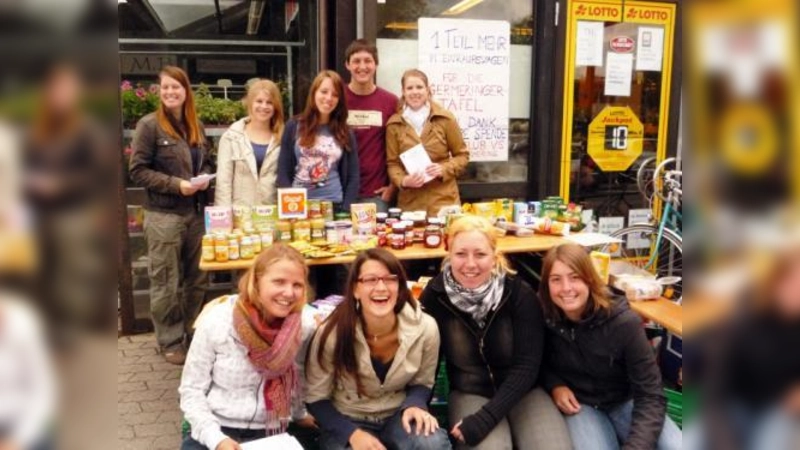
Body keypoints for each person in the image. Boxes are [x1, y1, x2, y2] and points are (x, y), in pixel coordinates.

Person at [420, 215, 571, 450]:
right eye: (461, 254)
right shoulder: (435, 296)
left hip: (524, 391)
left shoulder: (519, 294)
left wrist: (485, 418)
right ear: (449, 252)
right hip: (470, 392)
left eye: (480, 254)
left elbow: (527, 367)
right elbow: (427, 362)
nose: (470, 264)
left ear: (494, 255)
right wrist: (419, 406)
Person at [538, 243, 682, 450]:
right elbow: (535, 361)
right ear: (546, 285)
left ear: (589, 279)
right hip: (582, 405)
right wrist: (555, 385)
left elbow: (651, 394)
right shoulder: (543, 315)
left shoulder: (623, 323)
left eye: (575, 277)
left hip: (627, 401)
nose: (566, 288)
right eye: (556, 279)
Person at [305, 248, 451, 450]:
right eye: (370, 280)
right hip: (347, 418)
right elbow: (316, 398)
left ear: (400, 286)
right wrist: (352, 434)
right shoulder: (333, 333)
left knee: (432, 443)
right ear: (355, 289)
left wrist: (415, 404)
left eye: (390, 279)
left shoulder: (425, 328)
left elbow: (423, 382)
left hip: (398, 413)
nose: (381, 287)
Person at [179, 243, 318, 450]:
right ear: (256, 281)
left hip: (274, 430)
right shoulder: (218, 320)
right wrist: (216, 440)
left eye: (297, 285)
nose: (289, 293)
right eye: (279, 282)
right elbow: (191, 390)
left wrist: (299, 415)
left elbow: (298, 377)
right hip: (218, 428)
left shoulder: (303, 326)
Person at [129, 66, 212, 365]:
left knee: (197, 280)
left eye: (176, 87)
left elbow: (205, 161)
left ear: (186, 91)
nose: (170, 92)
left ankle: (192, 333)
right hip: (164, 216)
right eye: (165, 88)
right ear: (159, 92)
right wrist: (177, 185)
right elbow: (137, 171)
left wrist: (203, 177)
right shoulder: (149, 125)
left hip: (194, 215)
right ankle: (170, 340)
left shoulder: (195, 126)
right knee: (165, 280)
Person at [386, 69, 469, 217]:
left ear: (428, 90)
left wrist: (443, 169)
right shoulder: (394, 124)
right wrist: (404, 181)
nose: (415, 92)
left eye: (419, 87)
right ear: (403, 92)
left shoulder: (445, 119)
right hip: (411, 203)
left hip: (444, 201)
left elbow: (462, 156)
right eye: (409, 88)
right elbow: (393, 163)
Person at [277, 70, 359, 213]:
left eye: (335, 95)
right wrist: (289, 205)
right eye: (324, 92)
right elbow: (283, 170)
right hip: (298, 206)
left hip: (334, 206)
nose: (329, 98)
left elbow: (353, 175)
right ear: (314, 93)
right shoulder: (294, 125)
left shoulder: (345, 132)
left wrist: (345, 210)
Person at [343, 39, 399, 212]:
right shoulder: (337, 99)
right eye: (356, 61)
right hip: (342, 192)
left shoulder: (390, 102)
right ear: (347, 65)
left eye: (368, 61)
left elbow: (402, 145)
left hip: (376, 195)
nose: (362, 66)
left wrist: (393, 187)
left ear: (376, 64)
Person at [215, 79, 285, 206]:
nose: (264, 106)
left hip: (271, 217)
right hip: (240, 217)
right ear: (250, 103)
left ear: (276, 106)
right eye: (259, 101)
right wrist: (224, 219)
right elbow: (223, 183)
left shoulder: (282, 139)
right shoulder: (231, 137)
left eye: (269, 102)